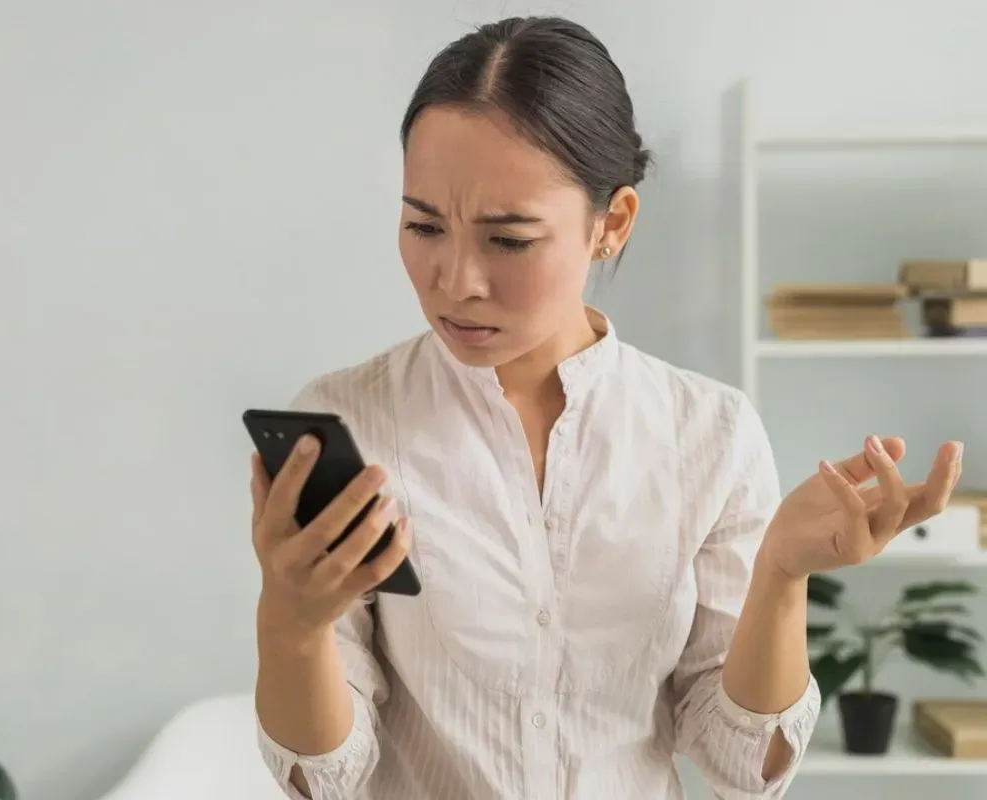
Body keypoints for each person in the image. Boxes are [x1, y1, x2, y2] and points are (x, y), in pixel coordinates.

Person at [247, 16, 963, 800]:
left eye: (508, 239)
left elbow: (743, 768)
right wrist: (292, 623)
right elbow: (323, 781)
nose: (455, 281)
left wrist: (782, 575)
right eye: (423, 225)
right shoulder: (350, 423)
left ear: (611, 225)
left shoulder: (710, 435)